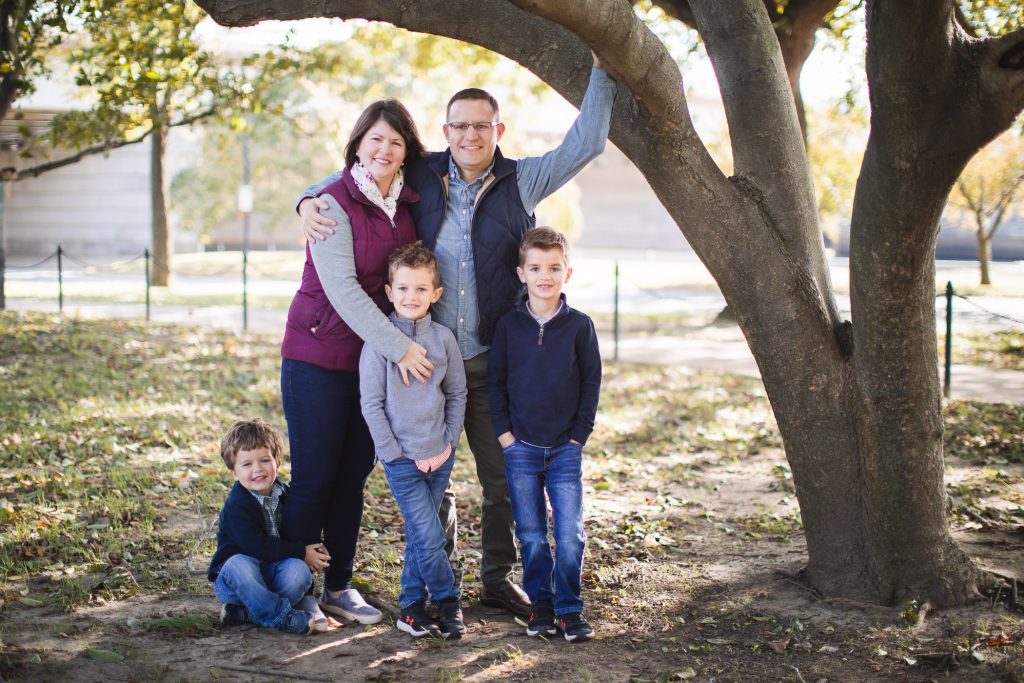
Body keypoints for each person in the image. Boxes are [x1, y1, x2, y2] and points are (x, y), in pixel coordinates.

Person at [297, 55, 616, 618]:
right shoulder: (423, 172)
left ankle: (496, 580)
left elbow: (588, 142)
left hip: (495, 362)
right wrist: (308, 200)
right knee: (431, 479)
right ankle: (434, 583)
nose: (471, 134)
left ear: (499, 130)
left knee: (503, 482)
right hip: (430, 361)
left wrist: (602, 62)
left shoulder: (526, 178)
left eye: (482, 125)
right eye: (460, 126)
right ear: (445, 133)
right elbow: (359, 168)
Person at [280, 99, 433, 626]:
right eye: (375, 139)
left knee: (352, 477)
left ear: (407, 150)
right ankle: (295, 586)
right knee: (314, 477)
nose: (385, 149)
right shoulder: (328, 202)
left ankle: (339, 586)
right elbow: (344, 290)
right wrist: (401, 348)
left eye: (395, 141)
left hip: (372, 366)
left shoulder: (409, 205)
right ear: (358, 144)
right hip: (318, 355)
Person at [487, 228, 601, 642]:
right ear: (522, 273)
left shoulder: (579, 327)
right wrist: (504, 436)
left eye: (554, 268)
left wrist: (577, 438)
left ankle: (570, 608)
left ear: (567, 273)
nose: (544, 276)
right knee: (532, 535)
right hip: (521, 449)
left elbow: (591, 384)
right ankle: (542, 606)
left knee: (569, 535)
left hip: (565, 449)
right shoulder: (509, 327)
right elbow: (494, 384)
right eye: (536, 268)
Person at [359, 243, 468, 638]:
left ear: (436, 294)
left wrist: (449, 443)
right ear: (389, 292)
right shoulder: (380, 343)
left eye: (421, 289)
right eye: (403, 288)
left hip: (439, 454)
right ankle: (448, 601)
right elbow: (371, 403)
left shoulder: (443, 340)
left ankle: (409, 605)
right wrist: (392, 453)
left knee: (424, 533)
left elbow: (457, 394)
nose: (411, 297)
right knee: (428, 533)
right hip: (401, 458)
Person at [208, 418, 331, 635]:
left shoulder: (286, 495)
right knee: (238, 564)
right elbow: (256, 545)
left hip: (274, 576)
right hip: (237, 581)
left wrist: (314, 549)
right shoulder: (237, 505)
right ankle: (280, 617)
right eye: (247, 464)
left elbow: (300, 527)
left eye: (265, 460)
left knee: (299, 571)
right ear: (234, 473)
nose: (258, 469)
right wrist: (301, 551)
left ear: (277, 462)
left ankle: (245, 613)